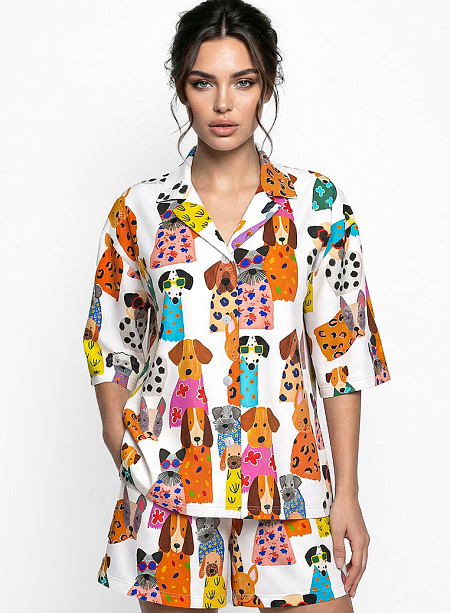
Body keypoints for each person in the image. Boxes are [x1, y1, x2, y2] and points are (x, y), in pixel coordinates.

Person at [82, 1, 391, 611]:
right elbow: (111, 339)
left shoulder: (316, 206)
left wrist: (348, 494)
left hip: (288, 482)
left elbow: (343, 355)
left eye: (242, 82)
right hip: (172, 486)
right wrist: (121, 441)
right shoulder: (140, 210)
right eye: (205, 83)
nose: (223, 103)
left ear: (266, 86)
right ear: (182, 89)